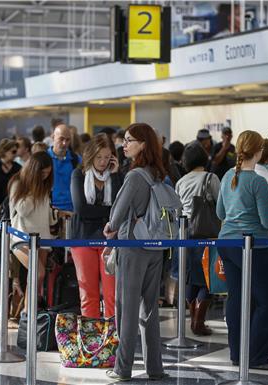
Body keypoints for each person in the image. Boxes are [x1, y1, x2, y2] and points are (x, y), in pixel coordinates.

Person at [103, 123, 167, 381]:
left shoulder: (134, 176)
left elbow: (115, 216)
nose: (124, 145)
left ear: (143, 144)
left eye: (129, 140)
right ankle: (155, 368)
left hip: (132, 246)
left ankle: (123, 368)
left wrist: (110, 228)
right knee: (149, 309)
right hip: (156, 246)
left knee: (126, 308)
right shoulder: (159, 173)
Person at [216, 130, 268, 371]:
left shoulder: (226, 177)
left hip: (227, 244)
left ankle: (237, 353)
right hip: (254, 246)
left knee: (236, 298)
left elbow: (220, 214)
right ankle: (256, 356)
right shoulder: (257, 181)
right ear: (259, 151)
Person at [70, 134, 122, 319]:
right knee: (88, 294)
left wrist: (115, 176)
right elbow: (81, 209)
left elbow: (117, 208)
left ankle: (112, 337)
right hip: (82, 238)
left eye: (107, 157)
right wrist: (106, 211)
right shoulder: (79, 174)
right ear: (90, 155)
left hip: (109, 239)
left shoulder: (116, 176)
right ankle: (91, 335)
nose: (103, 162)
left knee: (112, 293)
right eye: (99, 157)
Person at [174, 141, 221, 335]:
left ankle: (192, 318)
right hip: (207, 234)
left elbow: (177, 209)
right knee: (207, 278)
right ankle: (199, 322)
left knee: (190, 277)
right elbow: (221, 206)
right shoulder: (211, 178)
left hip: (184, 234)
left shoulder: (181, 181)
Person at [8, 151, 57, 314]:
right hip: (21, 238)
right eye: (42, 172)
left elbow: (45, 215)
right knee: (38, 274)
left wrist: (57, 215)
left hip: (42, 238)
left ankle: (29, 315)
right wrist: (33, 191)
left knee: (35, 280)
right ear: (33, 170)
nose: (44, 176)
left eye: (47, 173)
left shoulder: (44, 186)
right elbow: (22, 210)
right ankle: (26, 314)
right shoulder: (18, 183)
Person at [48, 124, 81, 211]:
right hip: (49, 209)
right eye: (61, 139)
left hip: (72, 209)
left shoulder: (76, 159)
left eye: (68, 140)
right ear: (53, 137)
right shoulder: (44, 159)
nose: (64, 143)